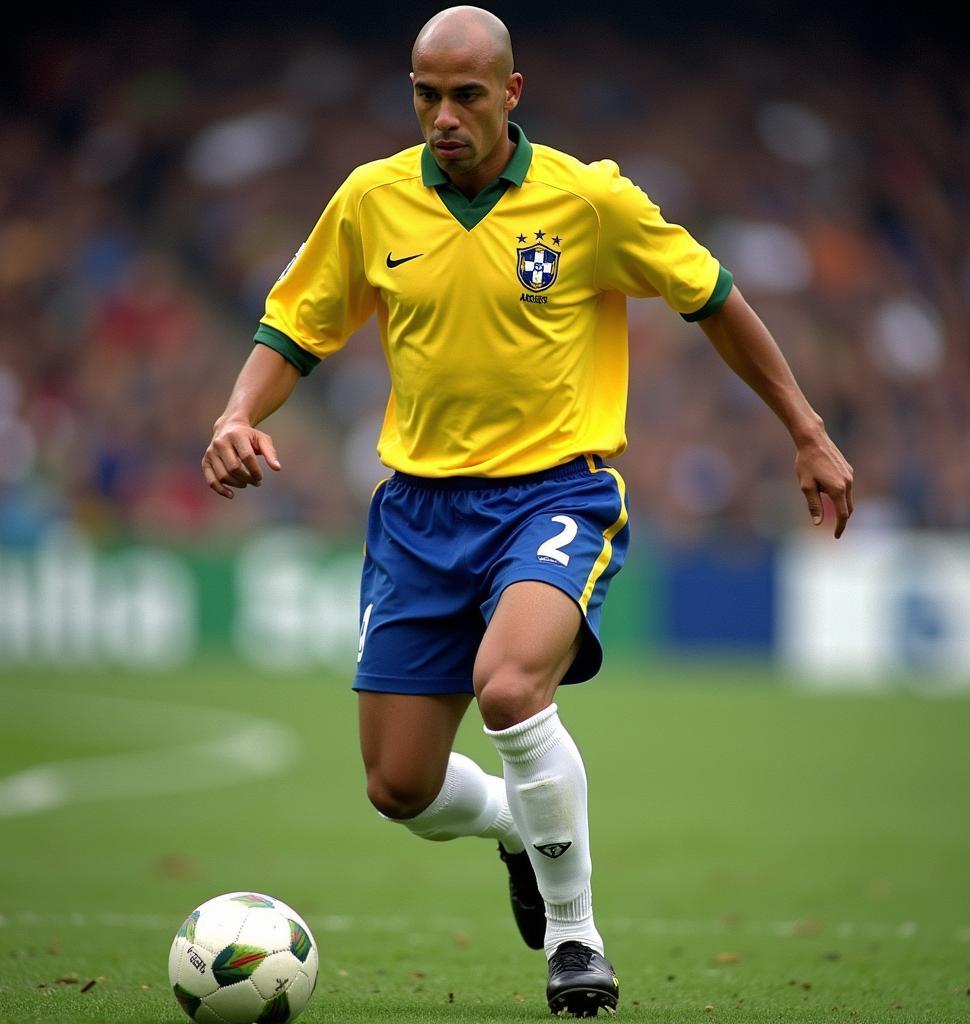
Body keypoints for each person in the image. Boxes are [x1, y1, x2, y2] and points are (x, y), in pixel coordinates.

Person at [202, 6, 854, 1016]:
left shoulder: (587, 199)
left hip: (555, 492)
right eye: (426, 94)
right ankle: (517, 823)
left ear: (512, 93)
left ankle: (575, 937)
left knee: (508, 688)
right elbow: (295, 324)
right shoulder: (371, 200)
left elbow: (714, 297)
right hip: (418, 514)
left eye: (466, 94)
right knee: (398, 789)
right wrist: (238, 411)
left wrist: (806, 430)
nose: (443, 116)